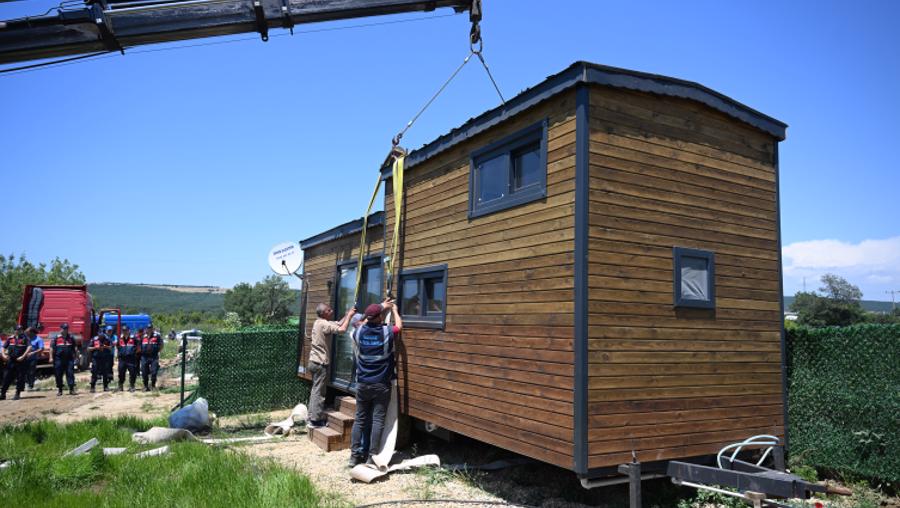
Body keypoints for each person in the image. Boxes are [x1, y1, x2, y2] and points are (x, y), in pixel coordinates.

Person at [348, 299, 402, 467]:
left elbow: (360, 322)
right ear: (380, 317)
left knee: (360, 419)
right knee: (378, 420)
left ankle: (354, 456)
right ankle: (372, 456)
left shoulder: (358, 332)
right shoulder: (386, 333)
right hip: (381, 385)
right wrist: (394, 310)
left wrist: (378, 308)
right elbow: (399, 326)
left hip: (363, 383)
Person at [307, 303, 356, 428]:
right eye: (329, 310)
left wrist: (346, 315)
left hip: (313, 362)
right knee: (319, 392)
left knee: (315, 390)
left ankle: (312, 417)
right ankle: (316, 421)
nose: (332, 310)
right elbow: (342, 329)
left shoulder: (319, 322)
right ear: (323, 313)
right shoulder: (324, 324)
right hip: (320, 363)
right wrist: (350, 316)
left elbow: (338, 324)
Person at [1, 326, 33, 400]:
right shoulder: (10, 338)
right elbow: (3, 347)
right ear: (14, 330)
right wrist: (3, 355)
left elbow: (29, 347)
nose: (18, 331)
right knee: (6, 377)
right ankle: (3, 394)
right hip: (11, 361)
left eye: (20, 330)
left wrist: (23, 356)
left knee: (20, 377)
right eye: (16, 330)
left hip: (21, 361)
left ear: (22, 330)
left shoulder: (25, 338)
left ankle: (17, 393)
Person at [49, 322, 78, 396]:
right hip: (58, 359)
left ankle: (71, 389)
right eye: (64, 328)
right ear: (61, 329)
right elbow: (51, 348)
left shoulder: (71, 337)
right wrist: (51, 357)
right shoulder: (56, 338)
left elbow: (75, 347)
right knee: (58, 374)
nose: (65, 330)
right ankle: (60, 389)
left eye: (67, 328)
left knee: (70, 373)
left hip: (69, 359)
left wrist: (76, 356)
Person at [139, 325, 163, 391]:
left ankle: (153, 385)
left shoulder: (157, 336)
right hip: (144, 357)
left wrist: (158, 351)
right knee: (144, 372)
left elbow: (161, 345)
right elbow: (139, 345)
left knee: (154, 372)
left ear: (152, 329)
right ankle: (146, 386)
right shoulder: (143, 337)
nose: (149, 330)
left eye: (150, 328)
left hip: (154, 356)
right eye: (148, 328)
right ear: (146, 329)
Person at [116, 326, 139, 392]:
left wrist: (133, 353)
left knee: (132, 373)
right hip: (122, 359)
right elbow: (118, 347)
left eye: (126, 330)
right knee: (121, 373)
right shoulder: (120, 338)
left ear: (129, 330)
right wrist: (120, 353)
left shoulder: (134, 338)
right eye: (123, 330)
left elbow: (138, 347)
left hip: (131, 359)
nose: (125, 331)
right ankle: (120, 386)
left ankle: (132, 386)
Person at [25, 326, 44, 391]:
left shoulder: (38, 339)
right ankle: (26, 383)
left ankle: (31, 385)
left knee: (31, 372)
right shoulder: (26, 339)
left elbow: (41, 348)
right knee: (24, 371)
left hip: (33, 358)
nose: (26, 332)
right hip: (25, 358)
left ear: (32, 332)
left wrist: (33, 353)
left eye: (27, 332)